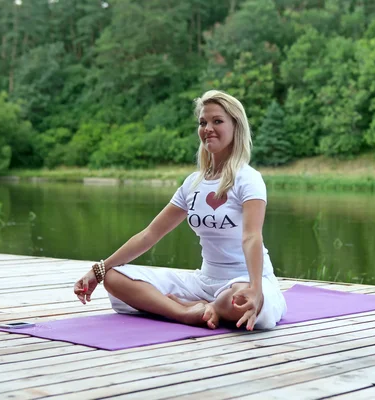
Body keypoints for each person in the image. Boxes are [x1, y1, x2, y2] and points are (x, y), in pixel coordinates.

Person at [73, 90, 287, 331]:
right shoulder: (192, 183)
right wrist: (98, 270)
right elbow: (150, 234)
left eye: (217, 121)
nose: (208, 128)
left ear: (236, 126)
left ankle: (210, 307)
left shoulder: (248, 179)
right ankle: (185, 312)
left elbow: (252, 237)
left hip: (243, 280)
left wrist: (256, 289)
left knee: (240, 301)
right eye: (203, 122)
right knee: (114, 278)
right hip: (203, 281)